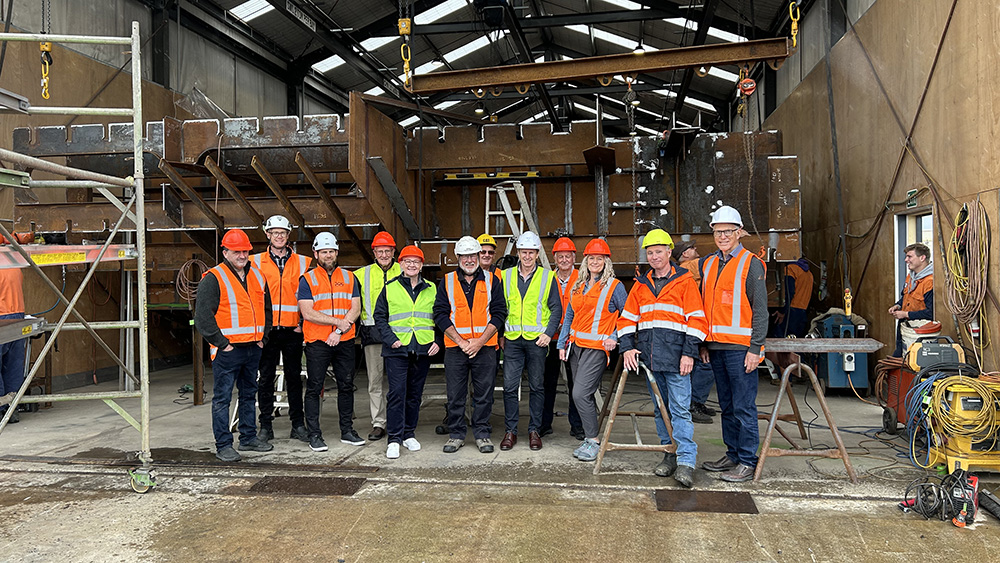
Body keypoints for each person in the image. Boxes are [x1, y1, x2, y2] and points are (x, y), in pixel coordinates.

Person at [617, 229, 706, 488]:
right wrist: (627, 347)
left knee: (679, 410)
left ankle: (686, 461)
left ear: (669, 252)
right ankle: (669, 453)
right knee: (660, 410)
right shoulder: (640, 285)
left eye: (659, 251)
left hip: (678, 359)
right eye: (650, 252)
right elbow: (627, 320)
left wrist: (689, 353)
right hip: (651, 360)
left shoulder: (684, 281)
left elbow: (697, 321)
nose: (654, 256)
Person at [698, 206, 768, 483]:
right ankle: (733, 454)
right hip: (715, 346)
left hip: (741, 349)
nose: (722, 236)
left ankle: (748, 461)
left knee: (743, 406)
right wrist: (703, 343)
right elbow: (705, 307)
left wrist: (755, 348)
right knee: (726, 406)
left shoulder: (751, 264)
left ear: (739, 232)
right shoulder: (708, 263)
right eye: (718, 231)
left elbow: (760, 310)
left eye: (728, 231)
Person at [194, 229, 274, 462]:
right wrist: (222, 343)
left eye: (245, 251)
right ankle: (224, 445)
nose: (242, 255)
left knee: (249, 394)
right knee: (222, 398)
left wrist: (263, 338)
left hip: (252, 348)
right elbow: (203, 318)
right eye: (237, 251)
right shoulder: (213, 278)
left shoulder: (257, 275)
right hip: (228, 351)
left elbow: (267, 310)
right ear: (225, 251)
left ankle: (248, 437)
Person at [433, 236, 507, 453]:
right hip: (456, 348)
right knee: (456, 394)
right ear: (458, 257)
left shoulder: (493, 280)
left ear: (478, 257)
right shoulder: (446, 282)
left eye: (472, 255)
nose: (469, 260)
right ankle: (456, 434)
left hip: (484, 348)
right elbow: (440, 314)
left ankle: (482, 434)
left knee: (484, 394)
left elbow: (500, 313)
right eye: (464, 256)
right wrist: (461, 341)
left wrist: (479, 342)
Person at [557, 239, 627, 462]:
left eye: (600, 258)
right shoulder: (578, 284)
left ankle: (593, 440)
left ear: (606, 262)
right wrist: (561, 343)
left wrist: (614, 337)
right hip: (575, 347)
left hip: (597, 349)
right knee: (579, 394)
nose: (595, 262)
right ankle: (589, 438)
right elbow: (569, 315)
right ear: (586, 261)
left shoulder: (615, 286)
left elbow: (627, 316)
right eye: (591, 258)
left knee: (580, 393)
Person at [297, 232, 364, 452]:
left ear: (337, 253)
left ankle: (347, 431)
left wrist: (339, 329)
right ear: (316, 253)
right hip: (318, 341)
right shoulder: (307, 279)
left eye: (332, 251)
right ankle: (314, 435)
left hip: (344, 340)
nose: (328, 255)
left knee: (346, 385)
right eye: (324, 251)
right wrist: (338, 324)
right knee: (315, 388)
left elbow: (355, 307)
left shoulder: (349, 277)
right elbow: (307, 312)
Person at [373, 245, 440, 459]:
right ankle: (394, 438)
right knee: (396, 393)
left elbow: (441, 317)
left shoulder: (432, 288)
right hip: (397, 349)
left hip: (422, 348)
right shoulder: (390, 287)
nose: (412, 265)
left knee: (414, 395)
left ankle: (408, 434)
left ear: (421, 266)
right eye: (407, 261)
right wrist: (390, 339)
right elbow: (379, 316)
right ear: (400, 264)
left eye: (416, 261)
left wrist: (438, 340)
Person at [500, 231, 561, 451]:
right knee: (509, 387)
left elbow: (556, 309)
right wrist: (500, 334)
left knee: (537, 387)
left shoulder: (547, 277)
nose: (527, 256)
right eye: (524, 252)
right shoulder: (505, 276)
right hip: (513, 341)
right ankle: (511, 431)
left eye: (531, 252)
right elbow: (499, 308)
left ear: (537, 254)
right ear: (518, 253)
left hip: (537, 342)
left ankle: (534, 430)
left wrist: (548, 333)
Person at [252, 215, 311, 444]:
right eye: (274, 232)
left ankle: (298, 424)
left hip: (292, 330)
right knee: (265, 378)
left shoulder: (303, 263)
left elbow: (311, 296)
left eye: (283, 233)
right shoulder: (254, 261)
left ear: (288, 236)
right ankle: (265, 426)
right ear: (267, 234)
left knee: (294, 378)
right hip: (267, 332)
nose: (279, 236)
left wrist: (302, 324)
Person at [355, 231, 402, 441]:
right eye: (380, 251)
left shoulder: (405, 269)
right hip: (373, 335)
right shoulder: (360, 274)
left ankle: (398, 421)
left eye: (387, 251)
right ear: (374, 252)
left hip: (398, 335)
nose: (384, 254)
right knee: (375, 382)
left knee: (398, 382)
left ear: (393, 252)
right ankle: (378, 423)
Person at [543, 237, 583, 440]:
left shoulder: (582, 278)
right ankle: (543, 424)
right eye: (561, 256)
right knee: (545, 383)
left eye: (568, 256)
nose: (564, 260)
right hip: (550, 339)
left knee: (576, 385)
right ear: (555, 259)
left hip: (573, 340)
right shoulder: (546, 278)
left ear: (574, 258)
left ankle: (577, 427)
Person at [673, 240, 716, 425]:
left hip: (695, 320)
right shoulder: (690, 266)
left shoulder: (684, 270)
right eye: (692, 248)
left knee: (700, 363)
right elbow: (714, 259)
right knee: (705, 363)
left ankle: (697, 401)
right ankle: (694, 403)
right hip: (693, 322)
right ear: (684, 254)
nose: (696, 250)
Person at [889, 243, 933, 356]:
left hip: (919, 333)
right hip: (905, 328)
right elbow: (905, 297)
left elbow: (931, 313)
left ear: (922, 258)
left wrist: (905, 314)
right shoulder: (911, 277)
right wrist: (898, 306)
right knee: (899, 358)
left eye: (909, 256)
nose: (906, 260)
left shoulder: (930, 282)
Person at [0, 268, 27, 424]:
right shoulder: (14, 264)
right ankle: (12, 408)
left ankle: (1, 408)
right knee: (13, 364)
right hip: (17, 316)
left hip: (1, 316)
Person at [774, 257, 814, 338]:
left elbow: (788, 293)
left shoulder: (790, 269)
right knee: (797, 343)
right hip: (803, 311)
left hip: (791, 312)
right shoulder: (809, 273)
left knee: (782, 341)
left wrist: (782, 311)